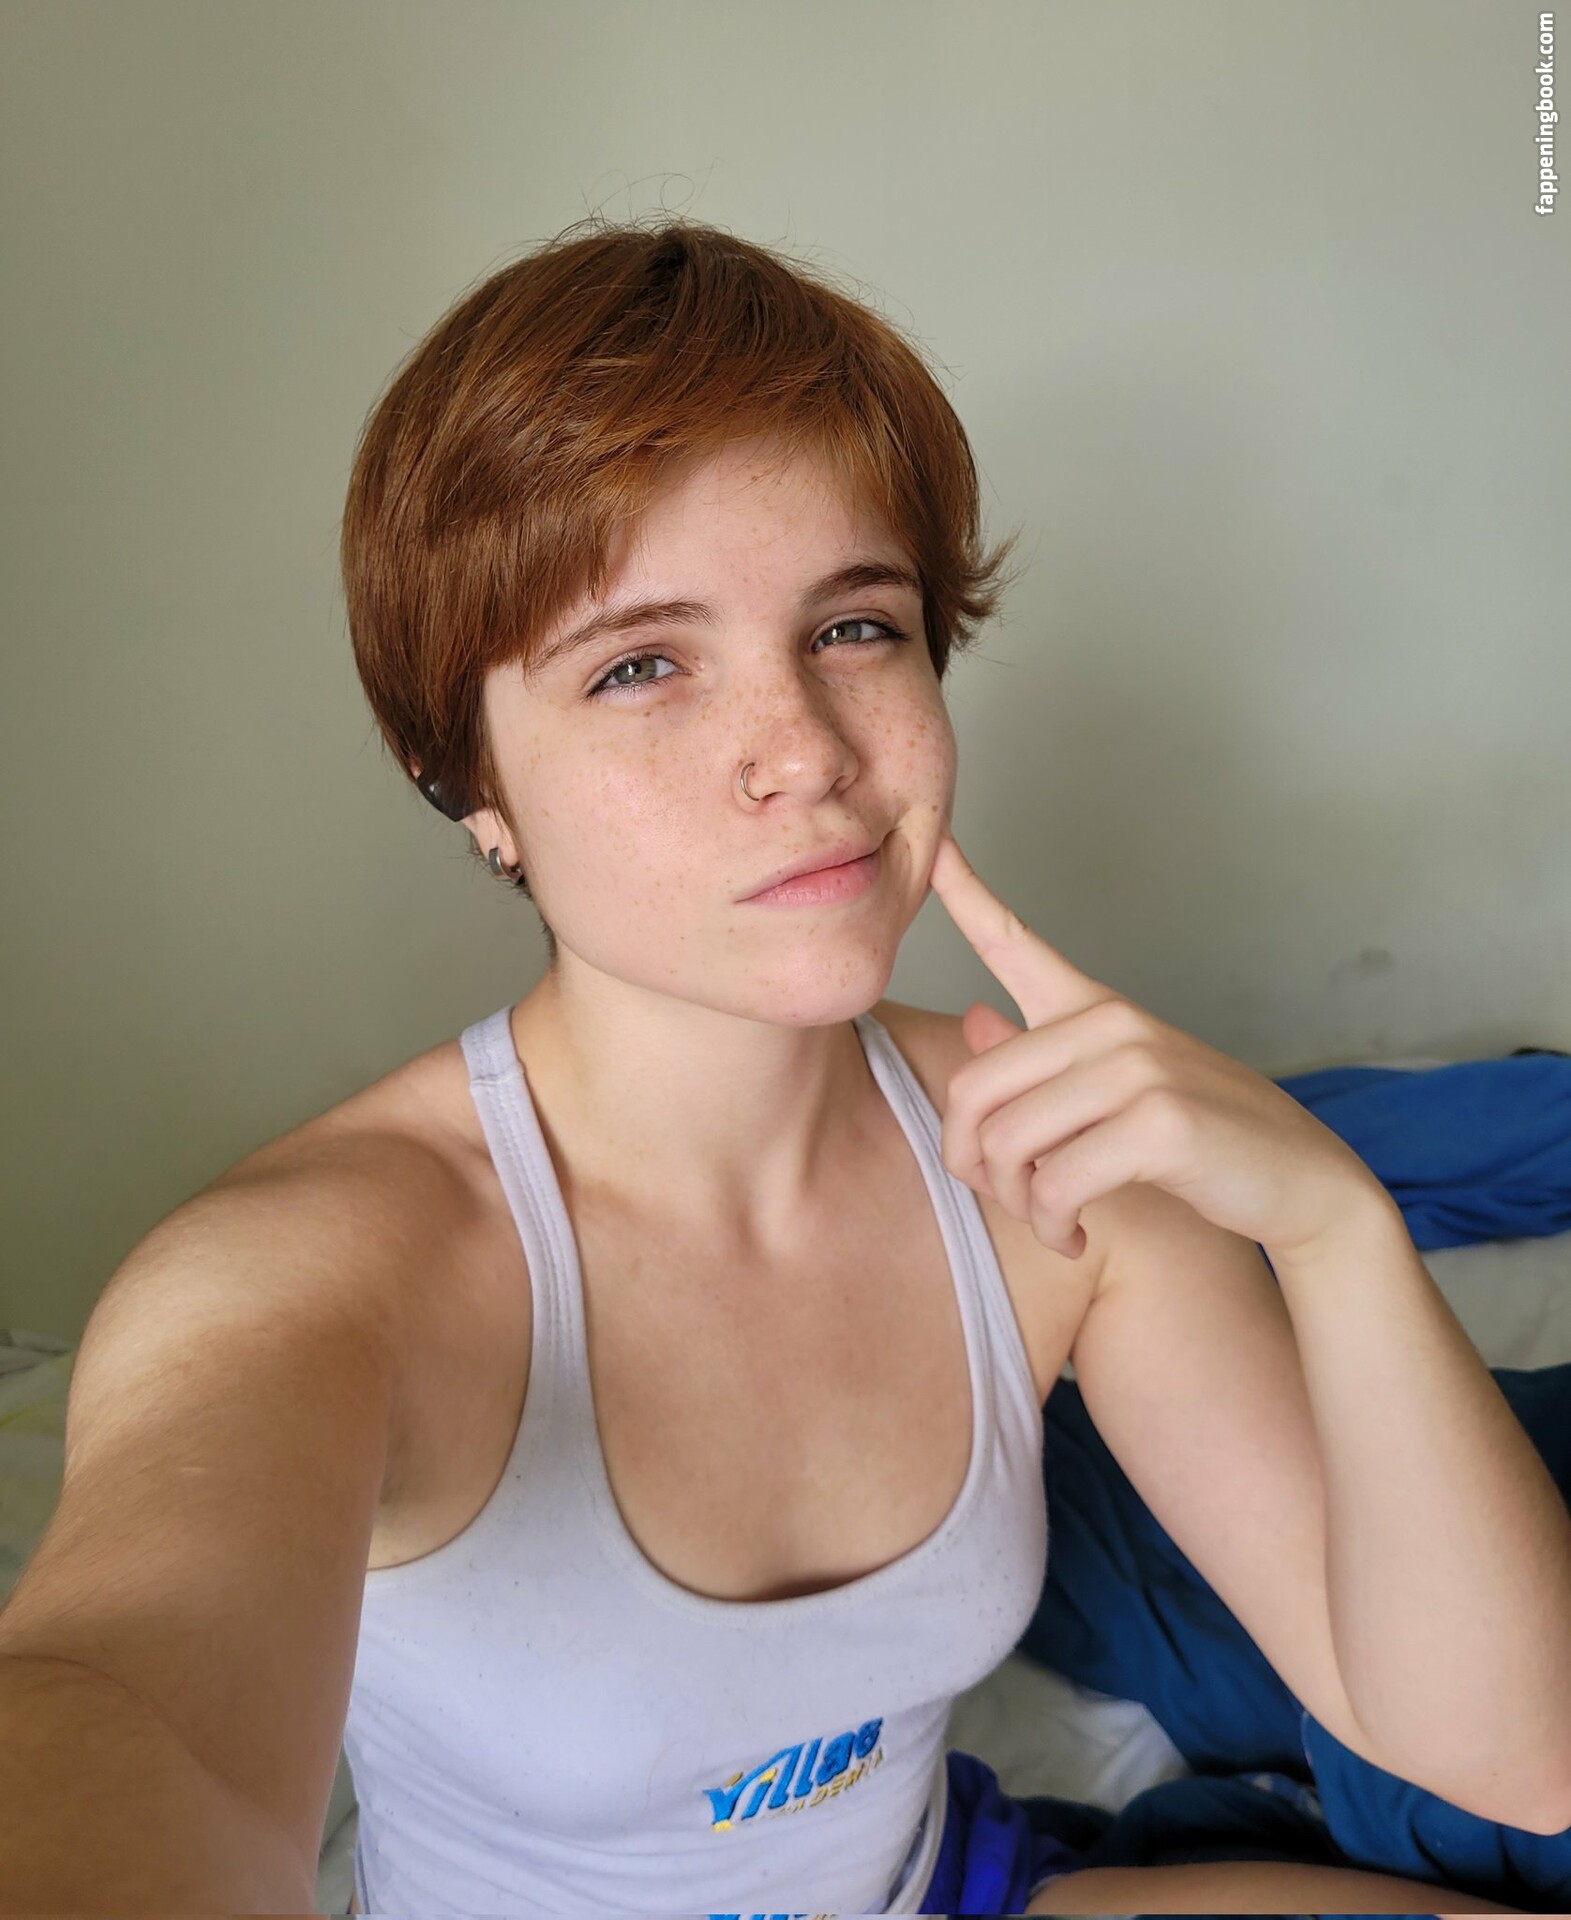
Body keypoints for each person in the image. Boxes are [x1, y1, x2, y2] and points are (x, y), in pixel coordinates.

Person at [0, 216, 1529, 1917]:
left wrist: (1334, 1227)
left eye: (856, 627)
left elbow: (1508, 1748)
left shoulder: (1045, 1165)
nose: (800, 752)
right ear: (473, 786)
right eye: (641, 665)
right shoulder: (316, 1278)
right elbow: (124, 1709)